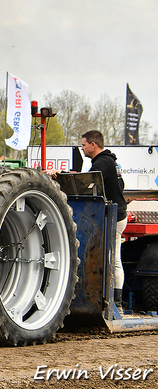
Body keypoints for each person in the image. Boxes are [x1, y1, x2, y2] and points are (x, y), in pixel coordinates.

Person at [82, 130, 127, 308]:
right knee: (111, 258)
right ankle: (115, 299)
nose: (82, 148)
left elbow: (86, 183)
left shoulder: (102, 163)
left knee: (113, 259)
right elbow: (121, 185)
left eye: (84, 144)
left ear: (94, 145)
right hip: (118, 214)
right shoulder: (111, 162)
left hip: (115, 217)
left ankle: (116, 301)